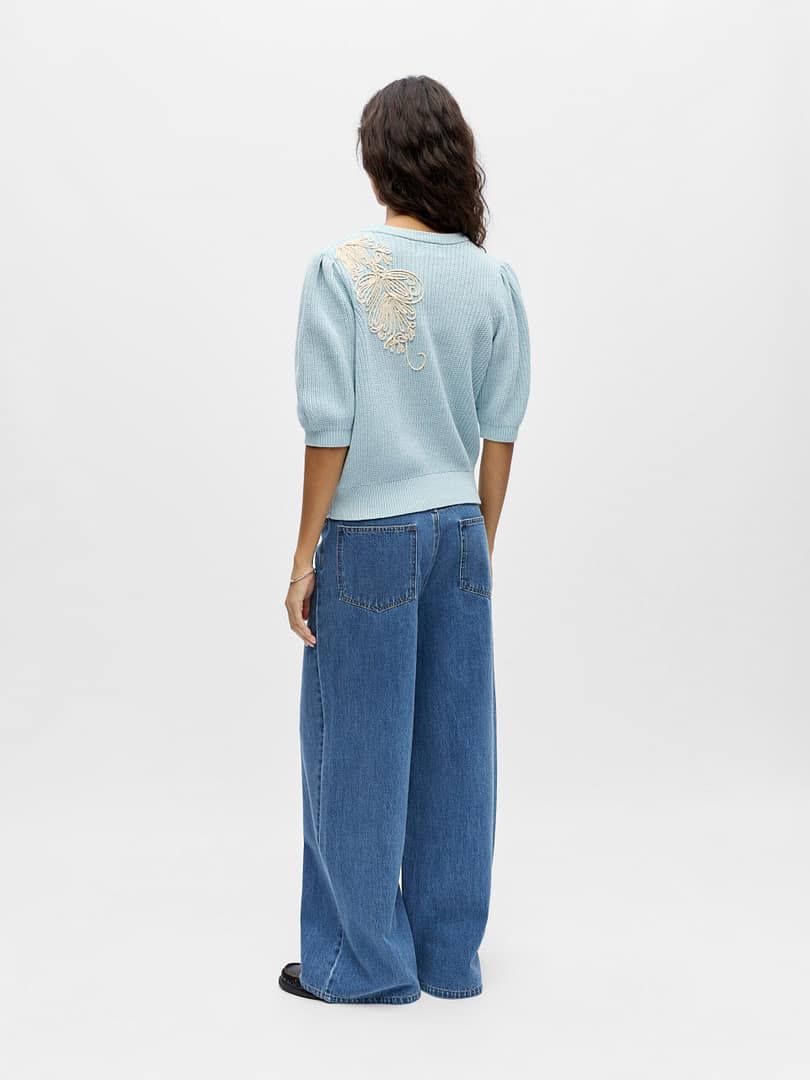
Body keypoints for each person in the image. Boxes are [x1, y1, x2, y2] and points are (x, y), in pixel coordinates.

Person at [280, 75, 531, 1005]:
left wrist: (303, 557)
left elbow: (329, 428)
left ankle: (362, 968)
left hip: (369, 538)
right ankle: (447, 960)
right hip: (460, 530)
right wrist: (478, 544)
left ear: (376, 160)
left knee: (357, 750)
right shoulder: (493, 279)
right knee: (459, 751)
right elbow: (500, 432)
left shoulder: (339, 269)